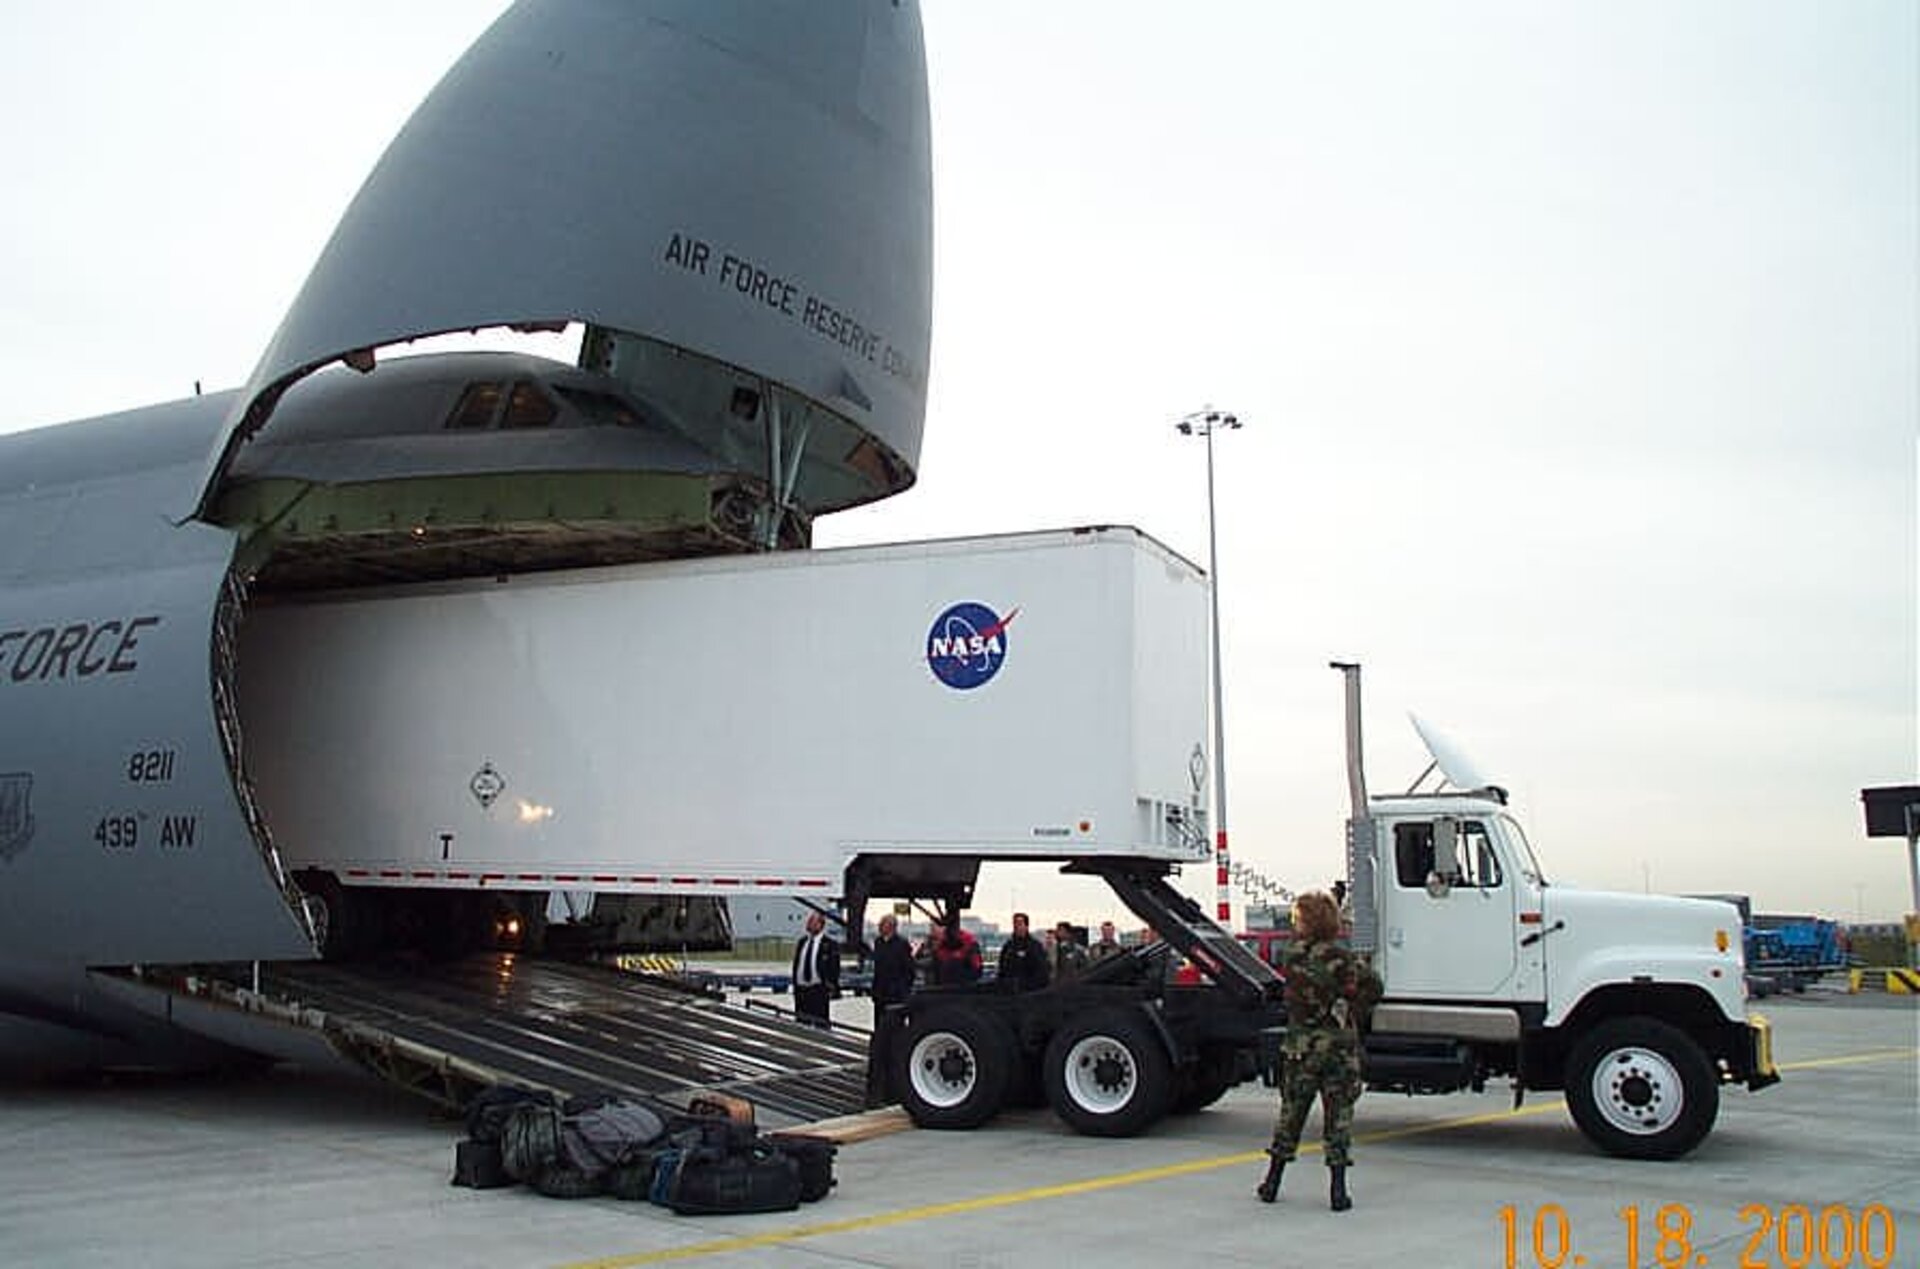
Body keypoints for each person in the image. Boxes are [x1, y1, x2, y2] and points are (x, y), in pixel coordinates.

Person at [1255, 890, 1382, 1212]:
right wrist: (1352, 1004)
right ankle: (1338, 1192)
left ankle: (1272, 1182)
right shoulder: (1342, 959)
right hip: (1338, 1046)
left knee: (1291, 1115)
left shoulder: (1292, 955)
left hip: (1302, 1047)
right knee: (1338, 1118)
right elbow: (1374, 986)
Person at [790, 910, 840, 1029]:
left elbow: (834, 967)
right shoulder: (802, 942)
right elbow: (797, 964)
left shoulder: (829, 944)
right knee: (801, 1024)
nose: (808, 924)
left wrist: (830, 986)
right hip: (802, 991)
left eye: (812, 921)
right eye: (809, 921)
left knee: (820, 1022)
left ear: (820, 924)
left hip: (818, 990)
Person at [868, 913, 916, 1024]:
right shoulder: (878, 942)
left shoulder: (902, 944)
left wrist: (902, 989)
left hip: (895, 994)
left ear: (891, 927)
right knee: (879, 1023)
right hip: (880, 993)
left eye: (882, 924)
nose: (879, 927)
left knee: (895, 1023)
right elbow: (877, 969)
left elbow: (909, 970)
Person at [996, 912, 1050, 991]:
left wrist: (1028, 985)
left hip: (1028, 990)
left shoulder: (1034, 946)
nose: (1017, 926)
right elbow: (1002, 967)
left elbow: (1041, 970)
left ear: (1026, 926)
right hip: (1009, 989)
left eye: (1020, 923)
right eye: (1015, 923)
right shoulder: (1008, 946)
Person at [928, 913, 983, 985]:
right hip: (944, 985)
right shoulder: (933, 944)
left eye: (934, 927)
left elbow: (976, 967)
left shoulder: (968, 942)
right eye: (931, 927)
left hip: (963, 985)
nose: (931, 930)